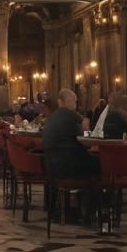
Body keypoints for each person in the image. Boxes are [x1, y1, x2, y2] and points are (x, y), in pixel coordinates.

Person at [43, 89, 99, 222]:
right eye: (73, 101)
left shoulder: (52, 118)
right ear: (65, 102)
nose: (74, 104)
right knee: (100, 166)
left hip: (52, 165)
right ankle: (90, 212)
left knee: (93, 163)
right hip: (67, 165)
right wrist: (85, 127)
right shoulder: (71, 116)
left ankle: (76, 207)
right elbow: (82, 138)